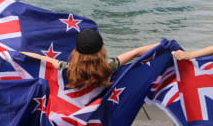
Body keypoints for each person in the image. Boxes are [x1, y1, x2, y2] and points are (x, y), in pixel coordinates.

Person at [24, 29, 159, 89]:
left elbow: (40, 58)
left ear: (76, 51)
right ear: (101, 51)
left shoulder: (66, 69)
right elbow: (136, 52)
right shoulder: (108, 68)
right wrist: (167, 45)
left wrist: (10, 54)